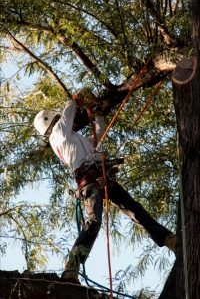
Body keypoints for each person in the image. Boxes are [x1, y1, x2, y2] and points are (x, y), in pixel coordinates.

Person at [33, 90, 176, 284]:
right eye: (58, 117)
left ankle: (168, 239)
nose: (63, 119)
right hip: (89, 182)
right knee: (93, 221)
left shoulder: (73, 138)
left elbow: (97, 137)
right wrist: (77, 97)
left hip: (101, 178)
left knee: (134, 209)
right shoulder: (57, 134)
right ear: (53, 121)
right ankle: (71, 267)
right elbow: (69, 111)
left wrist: (98, 114)